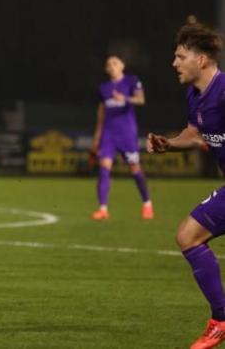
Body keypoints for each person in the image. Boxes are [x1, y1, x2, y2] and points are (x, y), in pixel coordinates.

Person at [147, 21, 225, 349]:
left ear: (201, 60)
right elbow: (195, 134)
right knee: (188, 236)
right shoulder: (195, 96)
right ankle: (220, 320)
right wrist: (169, 144)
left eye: (181, 56)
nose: (174, 63)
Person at [90, 54, 153, 220]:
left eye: (115, 63)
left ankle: (147, 203)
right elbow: (101, 112)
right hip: (108, 134)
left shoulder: (131, 81)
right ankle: (103, 209)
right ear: (106, 69)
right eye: (108, 64)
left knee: (135, 169)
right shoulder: (103, 88)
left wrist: (124, 98)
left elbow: (141, 99)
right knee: (104, 170)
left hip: (127, 133)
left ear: (122, 65)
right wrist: (97, 137)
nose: (112, 66)